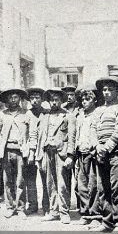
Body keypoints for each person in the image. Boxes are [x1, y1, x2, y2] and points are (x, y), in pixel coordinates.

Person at [89, 77, 118, 234]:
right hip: (101, 152)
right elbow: (92, 129)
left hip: (116, 152)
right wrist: (97, 146)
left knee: (117, 188)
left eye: (110, 89)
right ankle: (107, 221)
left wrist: (106, 148)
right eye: (104, 90)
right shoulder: (98, 110)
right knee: (103, 188)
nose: (106, 92)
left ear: (117, 91)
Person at [30, 87, 76, 223]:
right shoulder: (44, 116)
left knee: (62, 184)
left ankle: (64, 212)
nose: (54, 103)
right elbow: (39, 135)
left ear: (61, 101)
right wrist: (39, 155)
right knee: (50, 184)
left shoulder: (68, 116)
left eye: (56, 100)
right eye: (51, 100)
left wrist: (70, 155)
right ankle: (54, 211)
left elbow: (72, 137)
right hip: (47, 152)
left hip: (61, 153)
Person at [0, 88, 34, 219]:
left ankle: (20, 208)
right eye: (10, 98)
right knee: (7, 180)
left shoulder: (27, 114)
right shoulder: (2, 115)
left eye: (15, 97)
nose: (13, 100)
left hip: (21, 152)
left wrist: (31, 151)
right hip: (6, 151)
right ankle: (10, 207)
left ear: (20, 99)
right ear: (6, 100)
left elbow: (33, 134)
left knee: (20, 181)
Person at [73, 85, 102, 226]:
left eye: (88, 99)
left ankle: (95, 215)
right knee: (81, 186)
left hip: (93, 154)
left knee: (94, 185)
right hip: (81, 153)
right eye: (83, 99)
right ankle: (85, 214)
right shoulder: (79, 116)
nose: (84, 102)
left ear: (94, 100)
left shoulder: (98, 114)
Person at [24, 86, 49, 215]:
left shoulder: (46, 113)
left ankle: (46, 207)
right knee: (30, 180)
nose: (34, 100)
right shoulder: (27, 114)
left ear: (42, 99)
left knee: (46, 179)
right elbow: (26, 134)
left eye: (37, 98)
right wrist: (29, 152)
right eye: (32, 98)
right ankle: (33, 205)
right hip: (29, 152)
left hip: (44, 151)